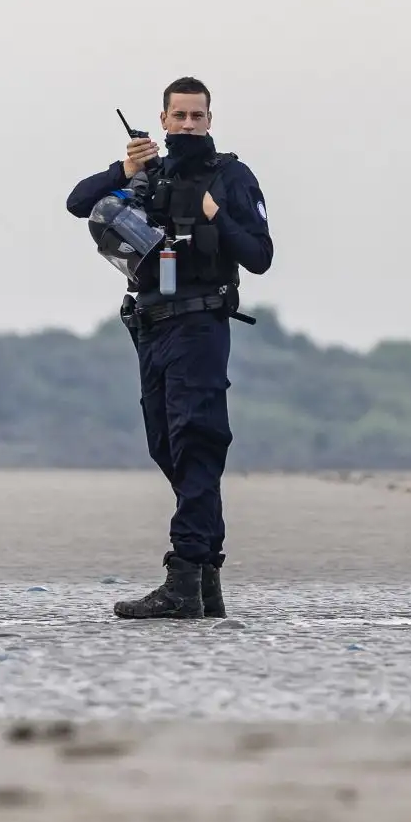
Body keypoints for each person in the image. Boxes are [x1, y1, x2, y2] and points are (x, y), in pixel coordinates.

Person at [67, 77, 273, 619]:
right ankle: (206, 581)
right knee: (169, 447)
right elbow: (77, 203)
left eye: (196, 117)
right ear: (162, 120)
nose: (187, 125)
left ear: (209, 119)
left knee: (197, 443)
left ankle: (183, 577)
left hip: (201, 325)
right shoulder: (148, 174)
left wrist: (213, 214)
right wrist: (125, 170)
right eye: (178, 116)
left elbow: (259, 255)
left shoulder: (231, 176)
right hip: (150, 326)